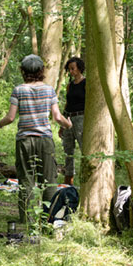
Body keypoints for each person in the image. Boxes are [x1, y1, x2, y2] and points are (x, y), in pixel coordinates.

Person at [0, 54, 73, 223]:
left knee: (26, 180)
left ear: (23, 71)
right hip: (45, 140)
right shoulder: (49, 90)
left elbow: (10, 117)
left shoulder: (19, 90)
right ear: (41, 71)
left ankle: (27, 219)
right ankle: (49, 217)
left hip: (24, 141)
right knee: (49, 180)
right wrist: (68, 125)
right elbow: (57, 117)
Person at [60, 57, 85, 186]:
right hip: (69, 118)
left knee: (83, 148)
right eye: (69, 69)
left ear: (79, 68)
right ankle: (68, 184)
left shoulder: (86, 83)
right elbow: (67, 104)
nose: (71, 72)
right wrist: (62, 124)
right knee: (68, 151)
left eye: (73, 69)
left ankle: (85, 179)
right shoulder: (70, 86)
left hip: (81, 118)